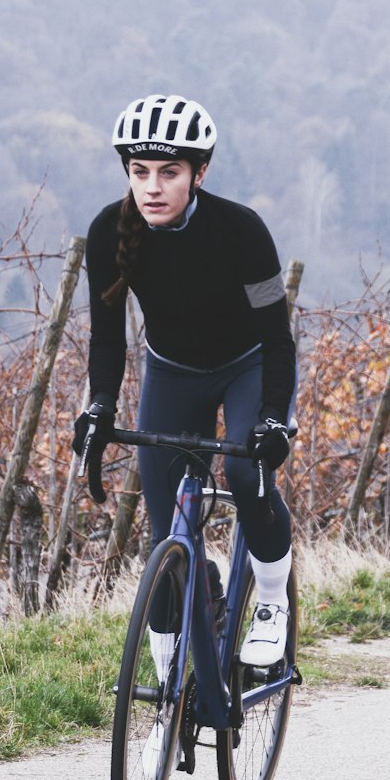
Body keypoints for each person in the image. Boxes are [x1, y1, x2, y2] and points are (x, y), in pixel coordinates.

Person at [73, 93, 296, 667]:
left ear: (199, 173)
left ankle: (271, 598)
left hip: (249, 365)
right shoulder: (108, 232)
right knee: (163, 530)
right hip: (172, 372)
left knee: (248, 476)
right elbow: (106, 338)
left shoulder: (243, 232)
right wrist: (99, 407)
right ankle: (165, 699)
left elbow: (277, 338)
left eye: (169, 172)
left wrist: (274, 421)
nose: (152, 187)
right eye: (139, 172)